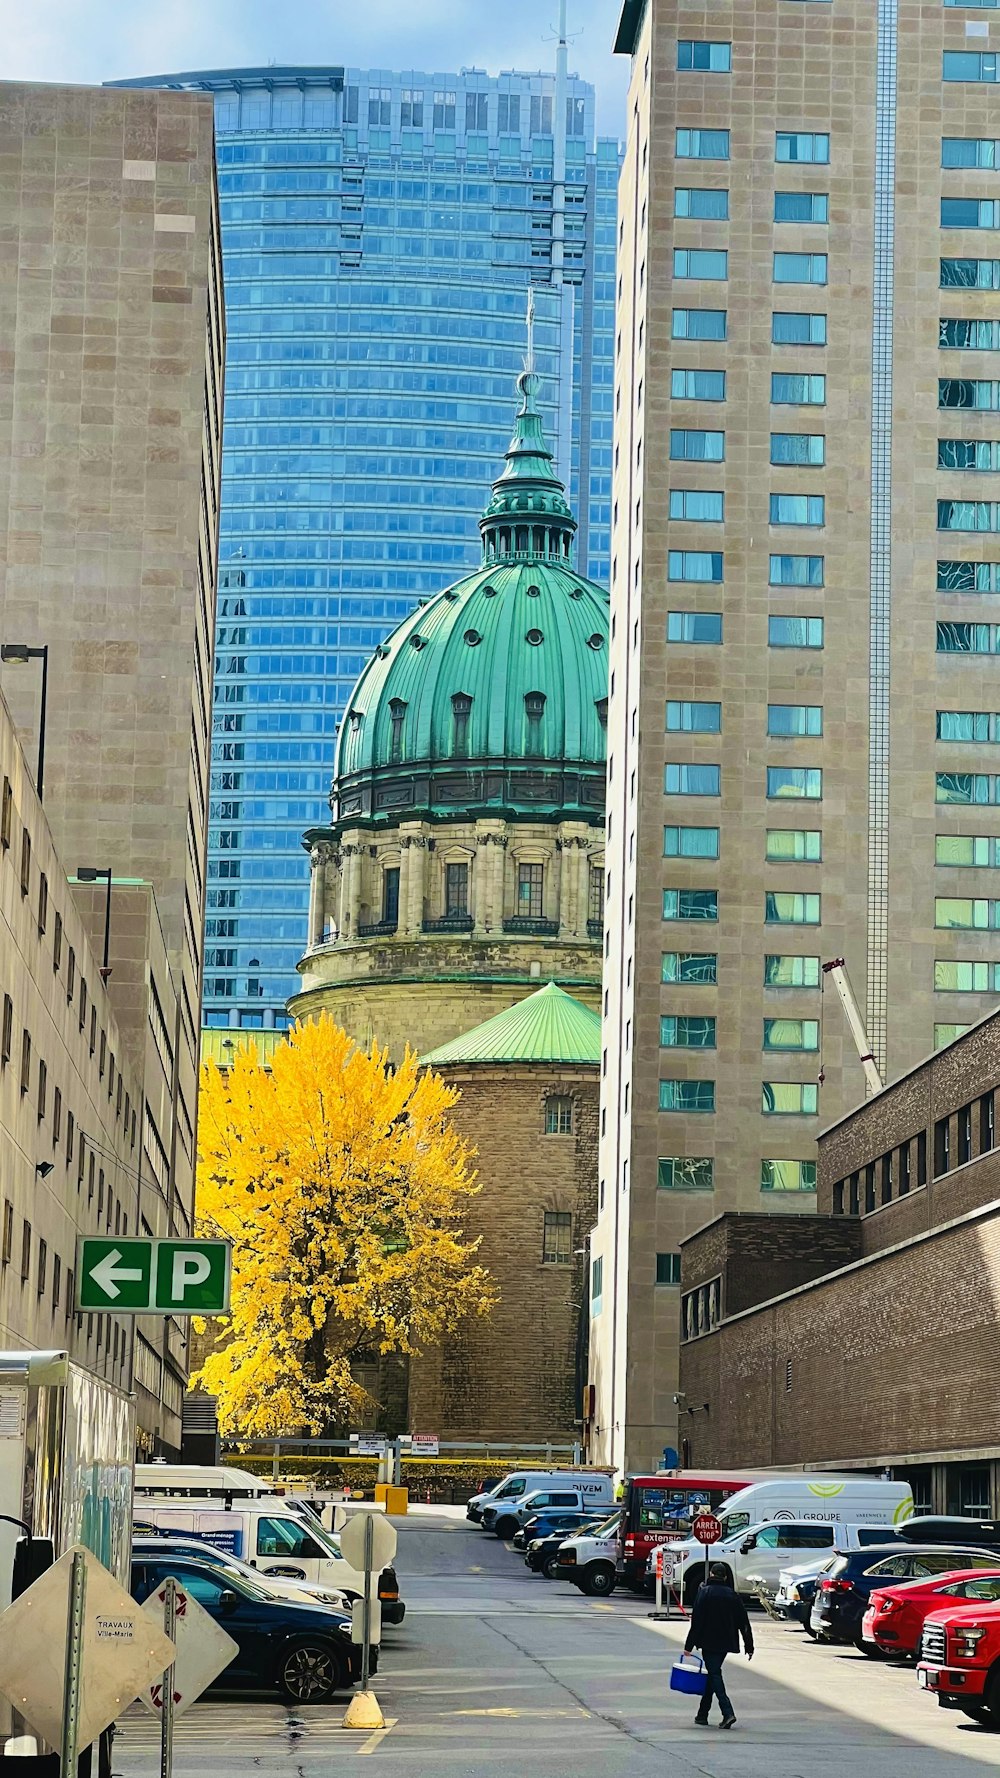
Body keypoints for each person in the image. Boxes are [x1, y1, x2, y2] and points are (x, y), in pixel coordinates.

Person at [683, 1561, 754, 1729]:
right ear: (726, 1577)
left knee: (714, 1674)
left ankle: (727, 1712)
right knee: (712, 1674)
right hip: (726, 1642)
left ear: (711, 1575)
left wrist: (689, 1645)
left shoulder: (705, 1593)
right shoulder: (732, 1595)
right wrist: (749, 1645)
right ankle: (702, 1714)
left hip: (708, 1641)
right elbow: (743, 1622)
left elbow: (697, 1622)